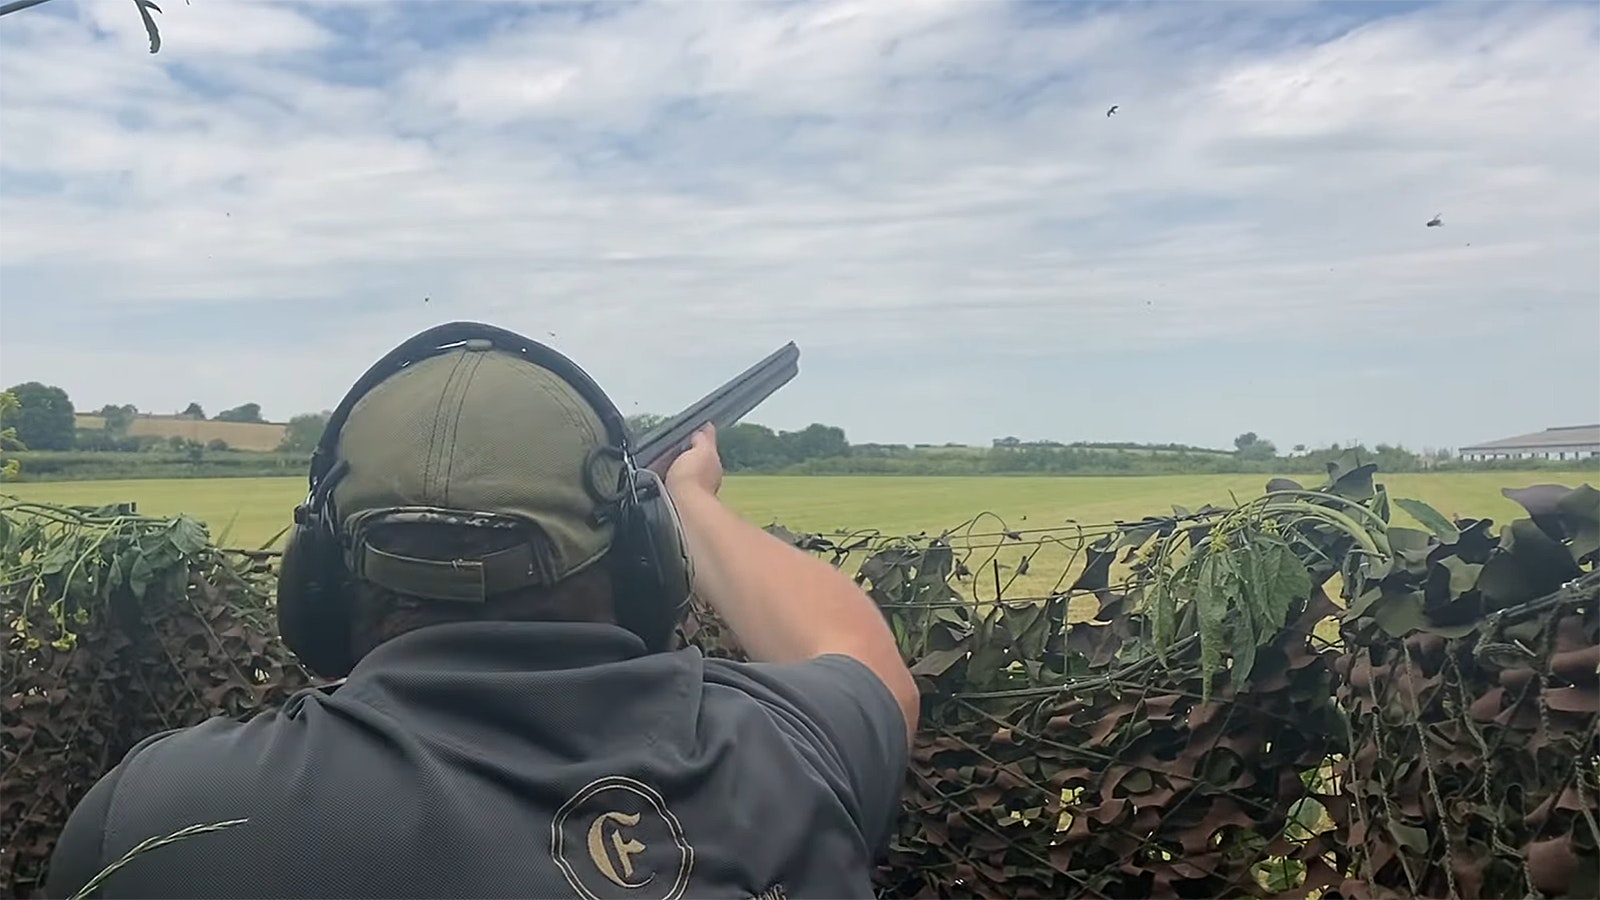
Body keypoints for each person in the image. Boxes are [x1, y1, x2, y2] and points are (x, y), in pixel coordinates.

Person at [45, 326, 919, 899]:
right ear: (643, 560)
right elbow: (856, 652)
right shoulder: (782, 753)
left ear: (320, 573)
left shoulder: (159, 818)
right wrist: (694, 500)